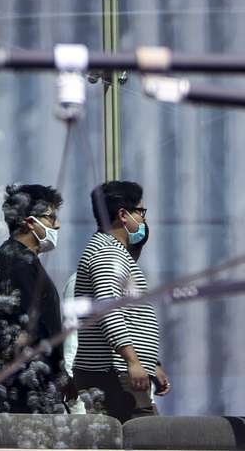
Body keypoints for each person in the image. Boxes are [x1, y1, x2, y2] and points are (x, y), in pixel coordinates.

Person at [72, 181, 168, 422]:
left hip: (119, 372)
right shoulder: (107, 253)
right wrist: (132, 361)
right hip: (112, 374)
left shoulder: (117, 253)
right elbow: (109, 310)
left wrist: (150, 363)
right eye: (141, 212)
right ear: (123, 215)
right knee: (144, 434)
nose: (144, 219)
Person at [0, 183, 72, 414]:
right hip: (22, 390)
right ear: (30, 222)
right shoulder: (16, 262)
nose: (57, 225)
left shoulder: (22, 260)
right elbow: (28, 329)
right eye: (50, 217)